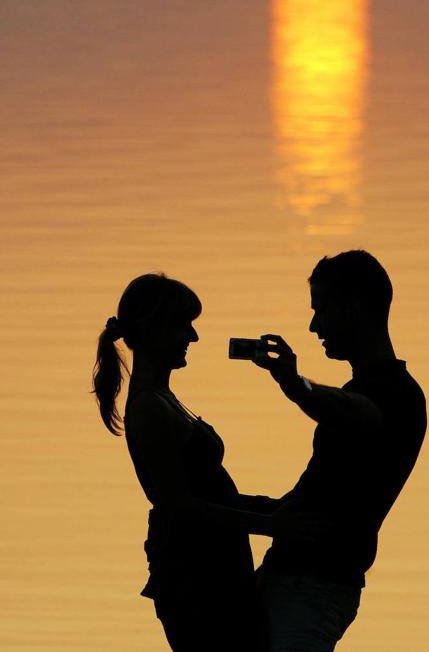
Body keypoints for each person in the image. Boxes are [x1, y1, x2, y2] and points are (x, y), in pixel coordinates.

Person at [92, 273, 319, 652]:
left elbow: (208, 492)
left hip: (214, 563)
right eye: (184, 325)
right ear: (155, 329)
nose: (192, 337)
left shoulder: (164, 398)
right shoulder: (149, 407)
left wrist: (272, 509)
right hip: (193, 574)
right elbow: (179, 506)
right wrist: (270, 524)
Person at [253, 250, 427, 652]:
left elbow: (359, 414)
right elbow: (317, 497)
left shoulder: (397, 395)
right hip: (287, 578)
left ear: (354, 308)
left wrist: (296, 385)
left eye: (322, 309)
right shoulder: (363, 390)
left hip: (317, 590)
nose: (314, 326)